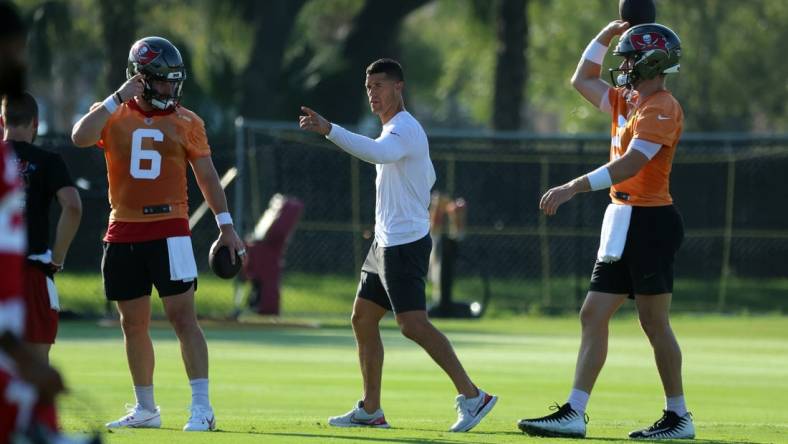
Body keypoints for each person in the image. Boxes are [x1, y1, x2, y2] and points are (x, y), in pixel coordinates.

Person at [517, 21, 694, 440]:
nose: (626, 65)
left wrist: (574, 186)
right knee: (593, 313)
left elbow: (633, 163)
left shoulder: (661, 106)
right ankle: (575, 412)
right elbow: (582, 78)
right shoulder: (627, 101)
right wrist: (604, 35)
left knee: (654, 322)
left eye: (631, 57)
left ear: (653, 60)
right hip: (622, 219)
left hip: (651, 222)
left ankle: (679, 416)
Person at [299, 58, 497, 432]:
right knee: (362, 318)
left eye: (379, 85)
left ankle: (474, 397)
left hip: (405, 245)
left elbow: (379, 153)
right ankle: (371, 409)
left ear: (399, 88)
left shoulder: (404, 128)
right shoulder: (392, 128)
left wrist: (329, 129)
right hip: (385, 244)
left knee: (412, 325)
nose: (372, 93)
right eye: (368, 86)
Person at [71, 36, 245, 432]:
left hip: (171, 230)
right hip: (122, 230)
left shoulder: (188, 122)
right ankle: (146, 407)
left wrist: (226, 226)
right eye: (161, 80)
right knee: (132, 324)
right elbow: (79, 137)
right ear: (140, 78)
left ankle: (202, 406)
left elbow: (207, 176)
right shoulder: (113, 112)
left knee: (185, 319)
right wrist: (117, 98)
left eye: (172, 81)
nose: (169, 88)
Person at [3, 92, 82, 363]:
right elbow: (73, 206)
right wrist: (57, 258)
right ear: (35, 123)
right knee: (36, 366)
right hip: (32, 271)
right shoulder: (48, 161)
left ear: (2, 121)